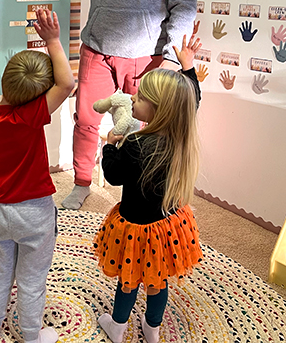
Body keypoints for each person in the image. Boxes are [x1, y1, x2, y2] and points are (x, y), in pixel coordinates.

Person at [54, 0, 197, 210]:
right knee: (87, 119)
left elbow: (185, 3)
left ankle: (139, 190)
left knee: (142, 125)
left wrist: (177, 58)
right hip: (98, 48)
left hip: (147, 55)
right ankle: (82, 182)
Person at [94, 35, 203, 343]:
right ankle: (152, 329)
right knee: (157, 282)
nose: (132, 100)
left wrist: (110, 147)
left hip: (134, 229)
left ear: (158, 110)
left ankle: (117, 326)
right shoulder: (180, 135)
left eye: (139, 98)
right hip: (166, 227)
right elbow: (191, 100)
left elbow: (114, 177)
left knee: (128, 281)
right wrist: (189, 68)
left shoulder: (135, 144)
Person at [0, 8, 75, 343]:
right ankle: (31, 335)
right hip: (35, 214)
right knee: (32, 281)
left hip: (1, 211)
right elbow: (67, 83)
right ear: (38, 97)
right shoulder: (30, 118)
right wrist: (53, 41)